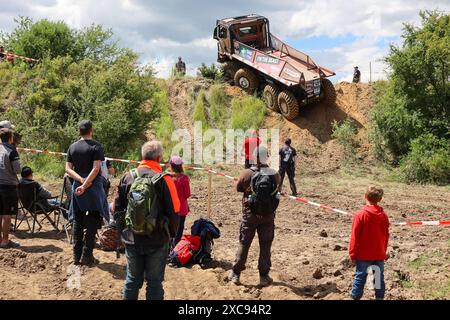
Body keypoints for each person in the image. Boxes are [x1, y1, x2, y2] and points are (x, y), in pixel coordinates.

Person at [114, 141, 180, 300]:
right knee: (155, 283)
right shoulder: (166, 180)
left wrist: (123, 233)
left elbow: (117, 209)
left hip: (132, 239)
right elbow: (175, 212)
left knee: (131, 281)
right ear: (158, 158)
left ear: (142, 156)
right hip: (157, 239)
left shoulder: (127, 177)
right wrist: (170, 235)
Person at [230, 145, 281, 287]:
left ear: (255, 158)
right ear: (267, 157)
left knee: (244, 243)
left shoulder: (246, 174)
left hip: (250, 215)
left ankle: (236, 274)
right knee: (265, 245)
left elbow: (238, 188)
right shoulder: (275, 174)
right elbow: (278, 191)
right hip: (268, 216)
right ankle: (264, 276)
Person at [65, 120, 109, 266]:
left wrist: (80, 181)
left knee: (78, 218)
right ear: (91, 130)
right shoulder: (96, 146)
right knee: (94, 218)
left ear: (80, 131)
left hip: (78, 185)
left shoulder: (72, 146)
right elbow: (96, 169)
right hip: (93, 185)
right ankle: (87, 255)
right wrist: (85, 184)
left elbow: (68, 169)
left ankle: (76, 256)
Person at [349, 185, 389, 300]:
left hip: (364, 255)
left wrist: (352, 254)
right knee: (378, 277)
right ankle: (379, 298)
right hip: (379, 254)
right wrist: (383, 251)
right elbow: (386, 236)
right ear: (380, 199)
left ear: (365, 196)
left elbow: (354, 236)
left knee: (360, 277)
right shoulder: (384, 216)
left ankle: (355, 297)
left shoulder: (360, 215)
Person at [0, 128, 21, 248]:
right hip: (9, 186)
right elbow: (17, 170)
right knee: (7, 214)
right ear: (10, 138)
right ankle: (5, 240)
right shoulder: (12, 151)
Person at [169, 155, 191, 247]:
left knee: (170, 228)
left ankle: (168, 248)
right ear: (181, 166)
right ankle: (175, 250)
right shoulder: (184, 178)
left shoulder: (168, 177)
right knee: (179, 230)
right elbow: (187, 194)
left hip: (170, 208)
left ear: (171, 166)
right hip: (181, 209)